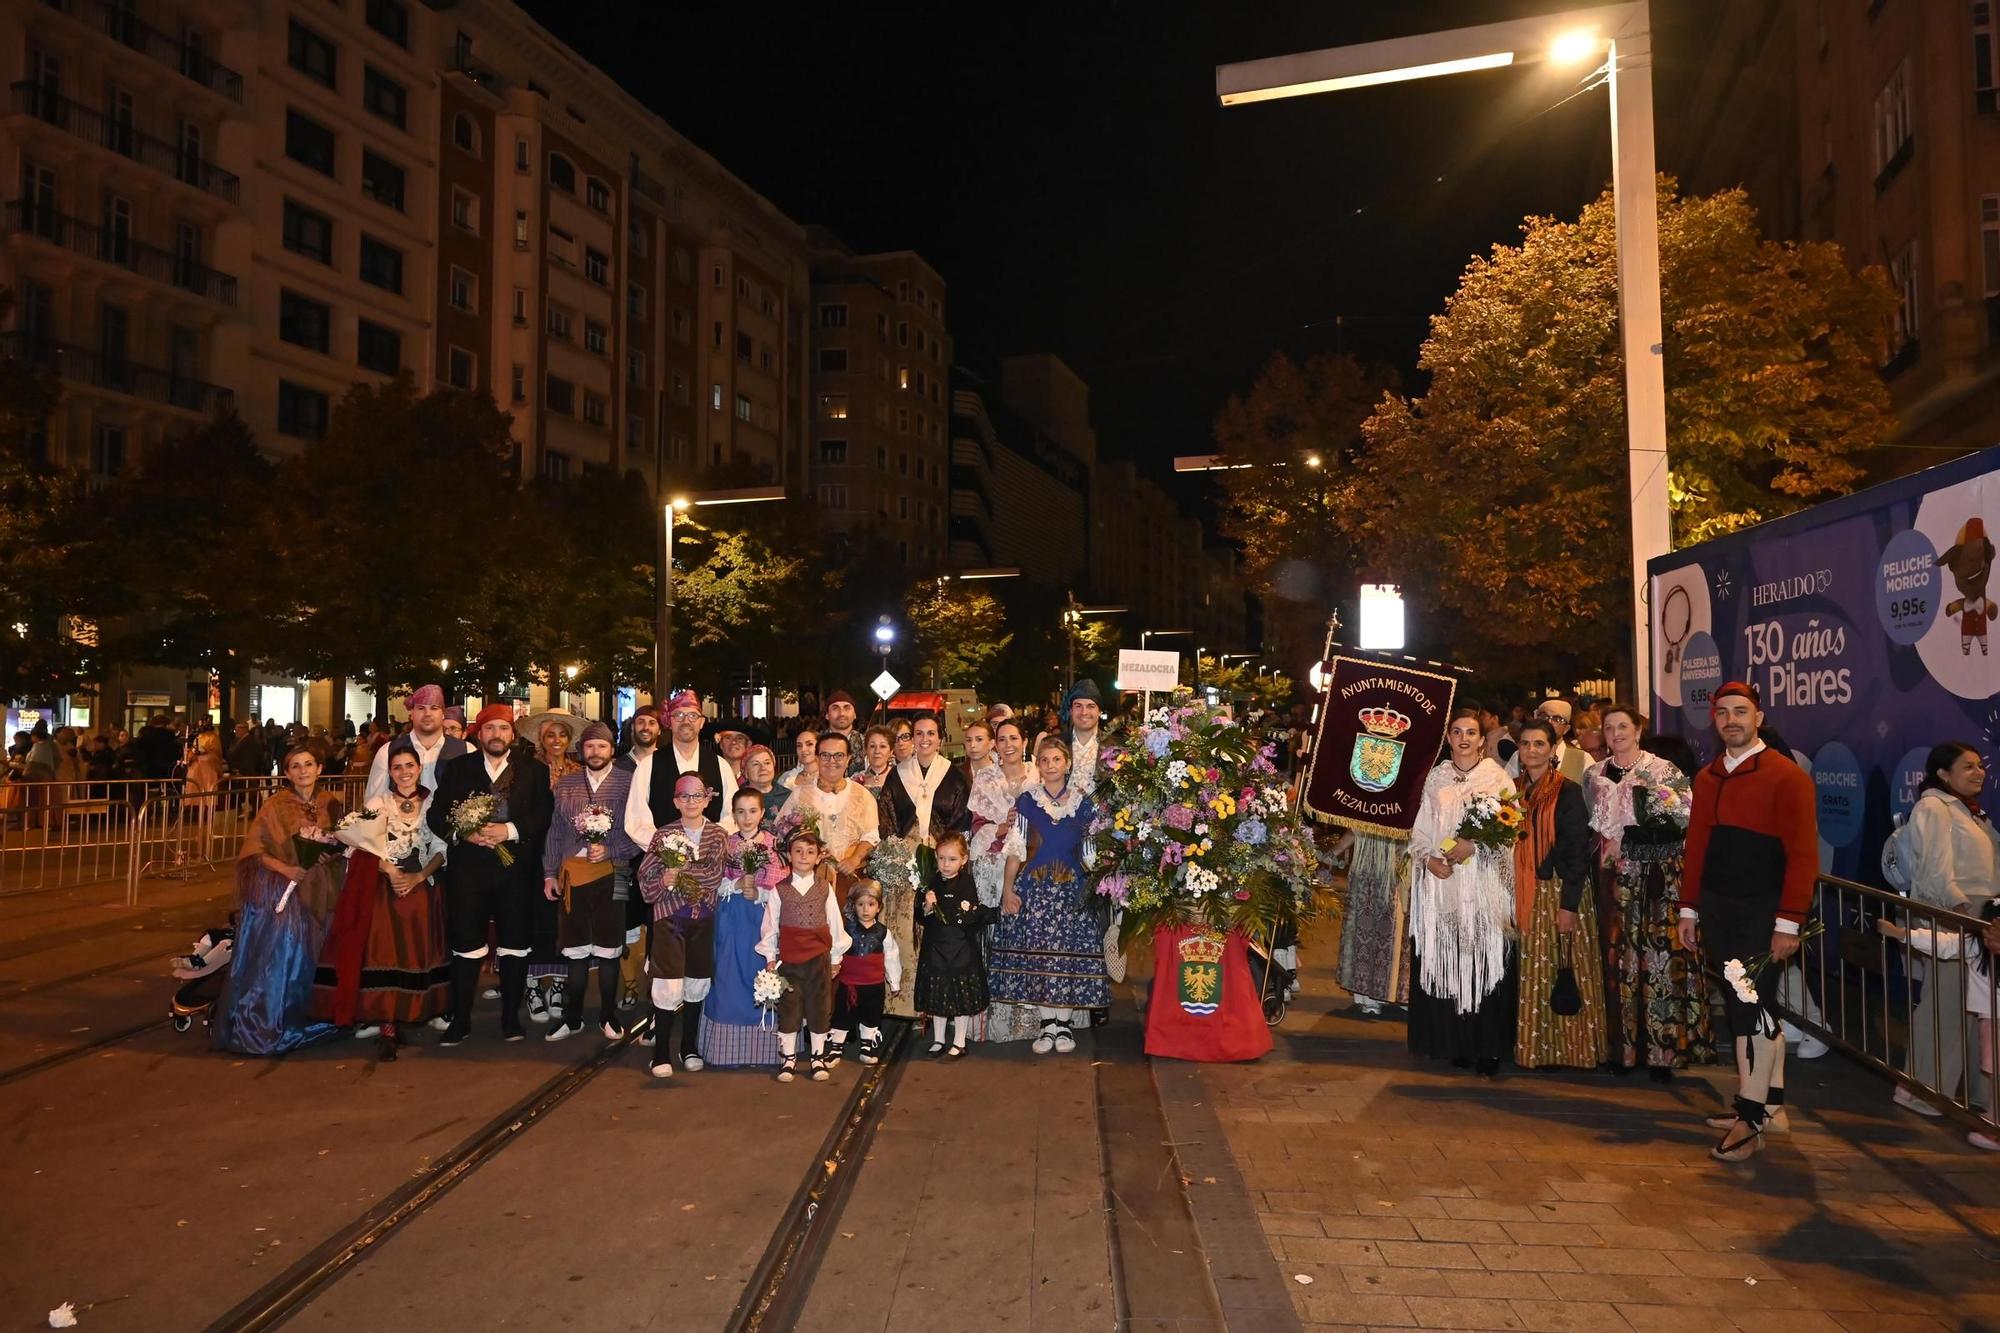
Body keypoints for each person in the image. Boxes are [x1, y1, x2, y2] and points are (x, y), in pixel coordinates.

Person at [1678, 682, 1819, 1161]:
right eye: (1723, 712)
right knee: (1753, 1007)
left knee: (1749, 1008)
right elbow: (1696, 847)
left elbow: (1803, 854)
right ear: (1714, 719)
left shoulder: (1787, 776)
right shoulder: (1707, 776)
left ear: (1758, 718)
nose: (1731, 719)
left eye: (1741, 711)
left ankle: (1751, 1117)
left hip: (1763, 913)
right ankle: (1772, 1107)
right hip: (1719, 910)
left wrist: (1789, 923)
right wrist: (1688, 908)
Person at [1584, 704, 1711, 1080]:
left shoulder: (1662, 770)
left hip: (1656, 879)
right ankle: (1620, 1051)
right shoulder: (1593, 774)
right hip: (1611, 879)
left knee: (1658, 962)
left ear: (1638, 730)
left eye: (1623, 726)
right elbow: (1596, 828)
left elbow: (1684, 817)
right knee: (1616, 961)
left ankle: (1661, 1054)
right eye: (1609, 727)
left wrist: (1650, 830)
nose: (1616, 733)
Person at [311, 739, 450, 1060]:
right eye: (397, 767)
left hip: (420, 883)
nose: (404, 772)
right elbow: (358, 844)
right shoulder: (378, 802)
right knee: (384, 952)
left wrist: (416, 876)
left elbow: (442, 849)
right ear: (390, 771)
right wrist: (387, 868)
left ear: (419, 769)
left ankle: (412, 1011)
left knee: (415, 953)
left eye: (409, 766)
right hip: (383, 886)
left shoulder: (433, 803)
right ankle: (387, 1024)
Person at [429, 705, 554, 1045]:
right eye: (489, 729)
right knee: (466, 946)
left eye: (503, 728)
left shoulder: (534, 771)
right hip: (468, 873)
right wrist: (463, 833)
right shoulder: (458, 769)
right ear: (478, 734)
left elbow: (543, 814)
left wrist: (509, 830)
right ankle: (461, 1019)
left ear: (512, 734)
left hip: (516, 872)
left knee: (515, 945)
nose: (496, 735)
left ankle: (511, 1019)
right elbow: (437, 814)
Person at [211, 744, 346, 1055]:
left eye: (308, 764)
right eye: (295, 766)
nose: (303, 771)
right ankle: (273, 1023)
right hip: (285, 892)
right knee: (285, 957)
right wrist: (287, 869)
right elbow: (255, 851)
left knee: (319, 957)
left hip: (323, 890)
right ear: (286, 773)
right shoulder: (275, 805)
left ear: (320, 769)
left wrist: (329, 853)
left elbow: (341, 840)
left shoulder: (331, 802)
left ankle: (314, 1014)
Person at [1406, 707, 1517, 1076]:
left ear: (1482, 740)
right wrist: (1427, 860)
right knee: (1449, 958)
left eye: (1471, 732)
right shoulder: (1437, 778)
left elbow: (1512, 833)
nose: (1464, 738)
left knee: (1484, 962)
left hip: (1483, 887)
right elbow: (1420, 830)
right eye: (1457, 732)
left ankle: (1486, 1047)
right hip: (1443, 886)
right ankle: (1453, 1042)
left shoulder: (1497, 779)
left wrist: (1477, 847)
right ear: (1449, 737)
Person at [1889, 741, 1998, 1118]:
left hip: (1978, 922)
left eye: (1979, 765)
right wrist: (1964, 917)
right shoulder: (1934, 807)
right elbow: (1935, 873)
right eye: (1967, 766)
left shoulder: (1971, 812)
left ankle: (1978, 1094)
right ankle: (1920, 1088)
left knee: (1977, 1008)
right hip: (1954, 919)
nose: (1978, 772)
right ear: (1943, 773)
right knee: (1947, 1005)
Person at [990, 736, 1106, 1054]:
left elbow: (1090, 850)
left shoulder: (1083, 803)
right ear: (1038, 766)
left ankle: (1064, 1026)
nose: (1051, 765)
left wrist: (1102, 884)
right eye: (1045, 760)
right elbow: (1015, 848)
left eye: (1056, 759)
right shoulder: (1027, 801)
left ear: (1066, 764)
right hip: (1036, 889)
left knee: (1065, 956)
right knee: (1040, 953)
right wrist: (1009, 889)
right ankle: (1047, 1025)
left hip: (1073, 889)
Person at [1511, 719, 1605, 1070]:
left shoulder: (1566, 791)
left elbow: (1577, 853)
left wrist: (1569, 906)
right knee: (1534, 972)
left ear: (1553, 750)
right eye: (1525, 743)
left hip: (1560, 893)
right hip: (1527, 891)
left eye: (1539, 744)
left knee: (1565, 967)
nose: (1531, 750)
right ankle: (1537, 1049)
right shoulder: (1513, 790)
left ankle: (1572, 1051)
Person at [541, 721, 641, 1042]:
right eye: (589, 746)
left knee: (610, 947)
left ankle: (608, 1015)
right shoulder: (567, 784)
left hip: (615, 872)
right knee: (576, 949)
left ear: (612, 750)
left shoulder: (628, 782)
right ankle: (572, 1017)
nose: (595, 752)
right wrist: (549, 872)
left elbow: (639, 832)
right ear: (581, 750)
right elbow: (556, 831)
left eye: (601, 746)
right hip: (574, 873)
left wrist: (610, 849)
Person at [638, 773, 727, 1077]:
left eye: (697, 796)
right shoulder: (663, 835)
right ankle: (661, 1051)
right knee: (668, 983)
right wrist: (664, 878)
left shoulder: (717, 835)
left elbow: (715, 875)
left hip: (703, 918)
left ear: (707, 799)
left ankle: (688, 1045)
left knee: (697, 981)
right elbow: (646, 876)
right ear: (676, 801)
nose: (691, 802)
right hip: (670, 919)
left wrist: (682, 868)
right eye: (684, 796)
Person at [758, 828, 851, 1082]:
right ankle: (788, 1058)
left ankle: (817, 1057)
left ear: (819, 857)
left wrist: (836, 959)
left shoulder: (825, 888)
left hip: (818, 960)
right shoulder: (779, 890)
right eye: (798, 851)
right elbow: (770, 926)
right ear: (789, 855)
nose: (803, 856)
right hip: (788, 961)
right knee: (789, 1008)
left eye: (810, 852)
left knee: (819, 1008)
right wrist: (770, 958)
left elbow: (835, 923)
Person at [701, 791, 785, 1070]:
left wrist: (759, 892)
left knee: (761, 973)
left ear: (762, 813)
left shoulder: (774, 845)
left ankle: (766, 1049)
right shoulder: (726, 844)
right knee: (728, 974)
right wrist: (735, 886)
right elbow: (714, 879)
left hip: (762, 917)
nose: (746, 818)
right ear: (733, 814)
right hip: (732, 916)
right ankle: (727, 1049)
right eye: (740, 811)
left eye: (752, 811)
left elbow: (781, 882)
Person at [968, 718, 1038, 1043]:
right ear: (994, 744)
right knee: (990, 937)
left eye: (1014, 737)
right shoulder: (985, 778)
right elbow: (975, 827)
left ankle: (1027, 1020)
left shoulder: (1038, 775)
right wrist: (1001, 826)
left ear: (1024, 742)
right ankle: (989, 1021)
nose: (1008, 744)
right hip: (991, 869)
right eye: (1002, 738)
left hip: (1031, 868)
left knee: (1024, 939)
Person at [525, 715, 583, 1023]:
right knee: (534, 918)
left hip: (567, 855)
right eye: (550, 734)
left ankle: (559, 984)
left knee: (565, 919)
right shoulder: (526, 770)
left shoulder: (579, 772)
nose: (556, 740)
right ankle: (532, 984)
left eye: (562, 734)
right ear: (540, 739)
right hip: (533, 854)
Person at [917, 831, 993, 1057]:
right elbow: (921, 917)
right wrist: (928, 907)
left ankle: (959, 1041)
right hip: (936, 947)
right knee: (938, 994)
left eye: (952, 859)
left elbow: (969, 914)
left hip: (960, 948)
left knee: (960, 996)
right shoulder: (930, 881)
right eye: (941, 858)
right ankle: (938, 1039)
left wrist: (962, 911)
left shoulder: (966, 882)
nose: (946, 864)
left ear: (963, 860)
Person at [777, 731, 882, 884]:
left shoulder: (862, 795)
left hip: (850, 879)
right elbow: (781, 832)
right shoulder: (800, 795)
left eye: (839, 755)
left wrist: (854, 859)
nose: (832, 761)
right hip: (809, 879)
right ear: (817, 758)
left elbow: (871, 836)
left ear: (848, 759)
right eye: (825, 755)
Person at [634, 690, 736, 839]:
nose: (686, 721)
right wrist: (669, 849)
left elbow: (732, 817)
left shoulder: (721, 766)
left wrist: (705, 843)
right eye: (679, 715)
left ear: (701, 723)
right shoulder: (648, 765)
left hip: (710, 857)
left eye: (693, 716)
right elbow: (637, 821)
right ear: (670, 721)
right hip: (663, 858)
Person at [831, 881, 901, 1066]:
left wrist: (894, 982)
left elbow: (892, 957)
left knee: (871, 1016)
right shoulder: (847, 931)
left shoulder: (883, 933)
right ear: (854, 906)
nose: (865, 909)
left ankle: (867, 1046)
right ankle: (836, 1047)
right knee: (842, 1016)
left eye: (870, 905)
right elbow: (836, 950)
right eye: (860, 904)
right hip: (849, 984)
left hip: (874, 985)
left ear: (879, 908)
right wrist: (833, 965)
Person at [365, 685, 468, 804]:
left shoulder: (466, 750)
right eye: (421, 708)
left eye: (434, 708)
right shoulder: (388, 751)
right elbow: (374, 803)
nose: (427, 713)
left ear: (443, 714)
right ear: (411, 714)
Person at [1507, 699, 1587, 783]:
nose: (1549, 722)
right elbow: (1505, 790)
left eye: (1557, 719)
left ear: (1566, 729)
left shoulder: (1582, 758)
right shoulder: (1520, 756)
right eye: (1544, 717)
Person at [1059, 680, 1108, 792]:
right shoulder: (1056, 744)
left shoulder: (1114, 747)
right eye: (1078, 706)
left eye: (1091, 706)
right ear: (1071, 711)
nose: (1084, 712)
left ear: (1099, 711)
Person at [738, 744, 784, 832]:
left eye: (767, 763)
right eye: (756, 764)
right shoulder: (736, 796)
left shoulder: (788, 796)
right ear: (745, 772)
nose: (763, 768)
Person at [823, 692, 863, 771]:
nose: (842, 713)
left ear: (855, 714)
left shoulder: (867, 744)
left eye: (847, 708)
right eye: (835, 708)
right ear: (827, 715)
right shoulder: (815, 743)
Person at [855, 725, 895, 794]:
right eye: (872, 746)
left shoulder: (900, 778)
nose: (877, 751)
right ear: (866, 750)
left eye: (882, 746)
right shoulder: (856, 781)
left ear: (891, 751)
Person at [778, 727, 817, 792]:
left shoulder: (830, 778)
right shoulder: (786, 777)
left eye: (809, 744)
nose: (803, 749)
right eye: (799, 745)